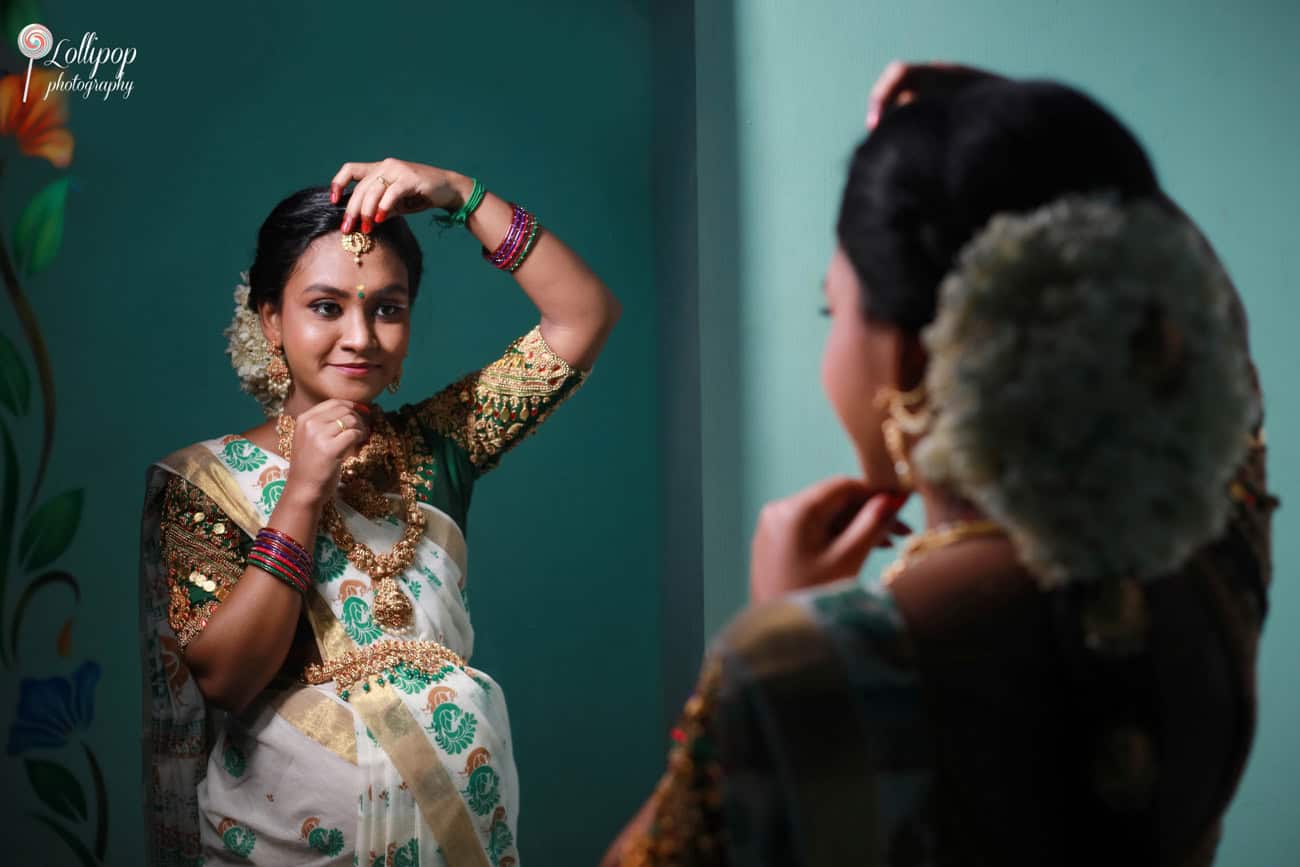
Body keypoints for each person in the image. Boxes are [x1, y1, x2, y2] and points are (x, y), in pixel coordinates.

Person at [605, 62, 1275, 866]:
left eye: (834, 310)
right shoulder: (1206, 580)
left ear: (912, 357)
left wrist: (778, 624)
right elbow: (1221, 362)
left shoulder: (807, 667)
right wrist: (1043, 152)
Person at [139, 159, 620, 867]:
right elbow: (228, 678)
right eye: (327, 306)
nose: (361, 335)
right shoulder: (209, 482)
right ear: (271, 319)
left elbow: (583, 315)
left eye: (387, 308)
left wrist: (463, 194)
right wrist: (301, 491)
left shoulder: (440, 446)